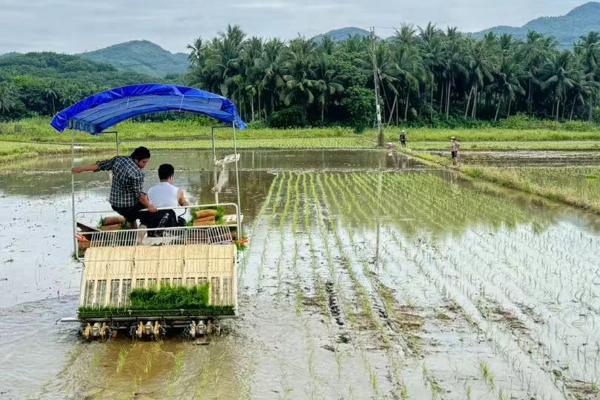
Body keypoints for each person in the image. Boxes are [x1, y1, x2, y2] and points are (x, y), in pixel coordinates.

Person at [72, 146, 158, 226]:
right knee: (148, 214)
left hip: (114, 203)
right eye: (144, 162)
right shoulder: (137, 173)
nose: (145, 165)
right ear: (136, 160)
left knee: (138, 207)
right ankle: (138, 237)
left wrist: (81, 169)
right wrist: (149, 205)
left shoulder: (118, 160)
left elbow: (100, 166)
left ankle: (130, 224)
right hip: (126, 206)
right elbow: (139, 195)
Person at [146, 163, 189, 230]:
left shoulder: (150, 190)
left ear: (159, 176)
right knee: (182, 221)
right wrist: (186, 203)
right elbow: (184, 204)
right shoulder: (178, 191)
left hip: (153, 223)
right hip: (171, 223)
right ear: (171, 177)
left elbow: (149, 204)